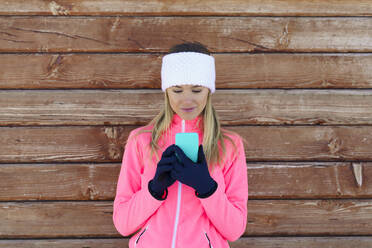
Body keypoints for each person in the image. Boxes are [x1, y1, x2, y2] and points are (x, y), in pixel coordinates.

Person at [113, 41, 248, 248]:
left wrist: (207, 188)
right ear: (166, 91)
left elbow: (235, 230)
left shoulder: (229, 145)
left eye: (196, 90)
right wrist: (153, 190)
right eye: (177, 90)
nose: (187, 100)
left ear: (208, 91)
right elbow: (123, 224)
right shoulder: (140, 140)